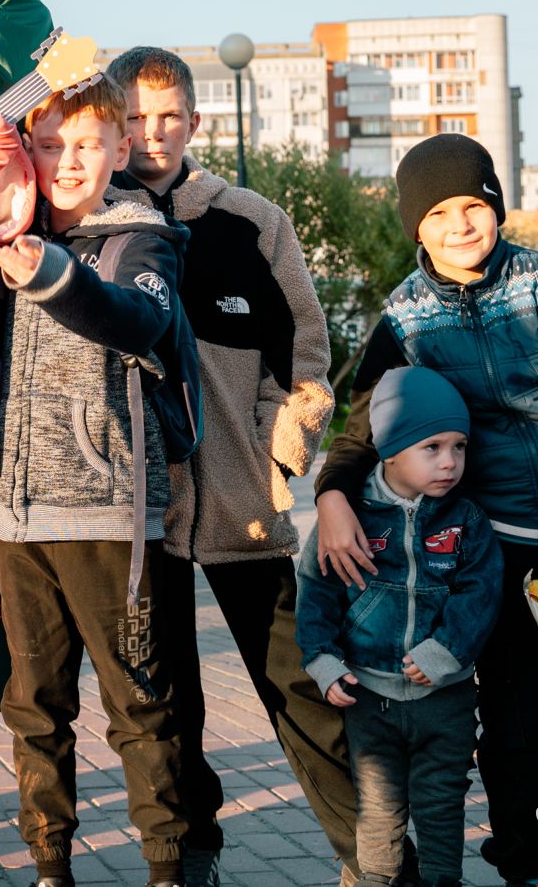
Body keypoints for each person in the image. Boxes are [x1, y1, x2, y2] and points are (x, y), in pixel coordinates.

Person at [312, 134, 538, 887]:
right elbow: (362, 423)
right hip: (498, 550)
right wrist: (332, 494)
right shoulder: (405, 317)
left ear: (497, 207)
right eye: (439, 212)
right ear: (417, 226)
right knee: (513, 730)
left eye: (474, 205)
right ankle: (523, 868)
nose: (461, 224)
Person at [105, 48, 367, 887]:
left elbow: (307, 350)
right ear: (114, 123)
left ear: (195, 119)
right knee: (163, 695)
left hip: (241, 495)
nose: (154, 134)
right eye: (137, 118)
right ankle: (187, 853)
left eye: (169, 116)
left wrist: (278, 445)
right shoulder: (89, 217)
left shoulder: (252, 219)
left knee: (295, 680)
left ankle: (370, 850)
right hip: (137, 504)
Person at [0, 75, 199, 887]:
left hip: (108, 508)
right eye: (49, 145)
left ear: (118, 150)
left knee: (140, 702)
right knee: (33, 705)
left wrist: (48, 272)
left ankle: (165, 866)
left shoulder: (141, 238)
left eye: (86, 145)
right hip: (17, 513)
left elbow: (136, 319)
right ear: (26, 154)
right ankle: (49, 864)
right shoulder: (6, 229)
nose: (68, 161)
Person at [297, 366, 502, 887]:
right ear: (389, 449)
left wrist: (446, 652)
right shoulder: (350, 519)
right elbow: (315, 593)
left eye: (459, 447)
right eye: (431, 447)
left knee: (440, 808)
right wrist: (322, 660)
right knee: (379, 813)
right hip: (369, 698)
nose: (450, 462)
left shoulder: (466, 520)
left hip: (445, 698)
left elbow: (480, 593)